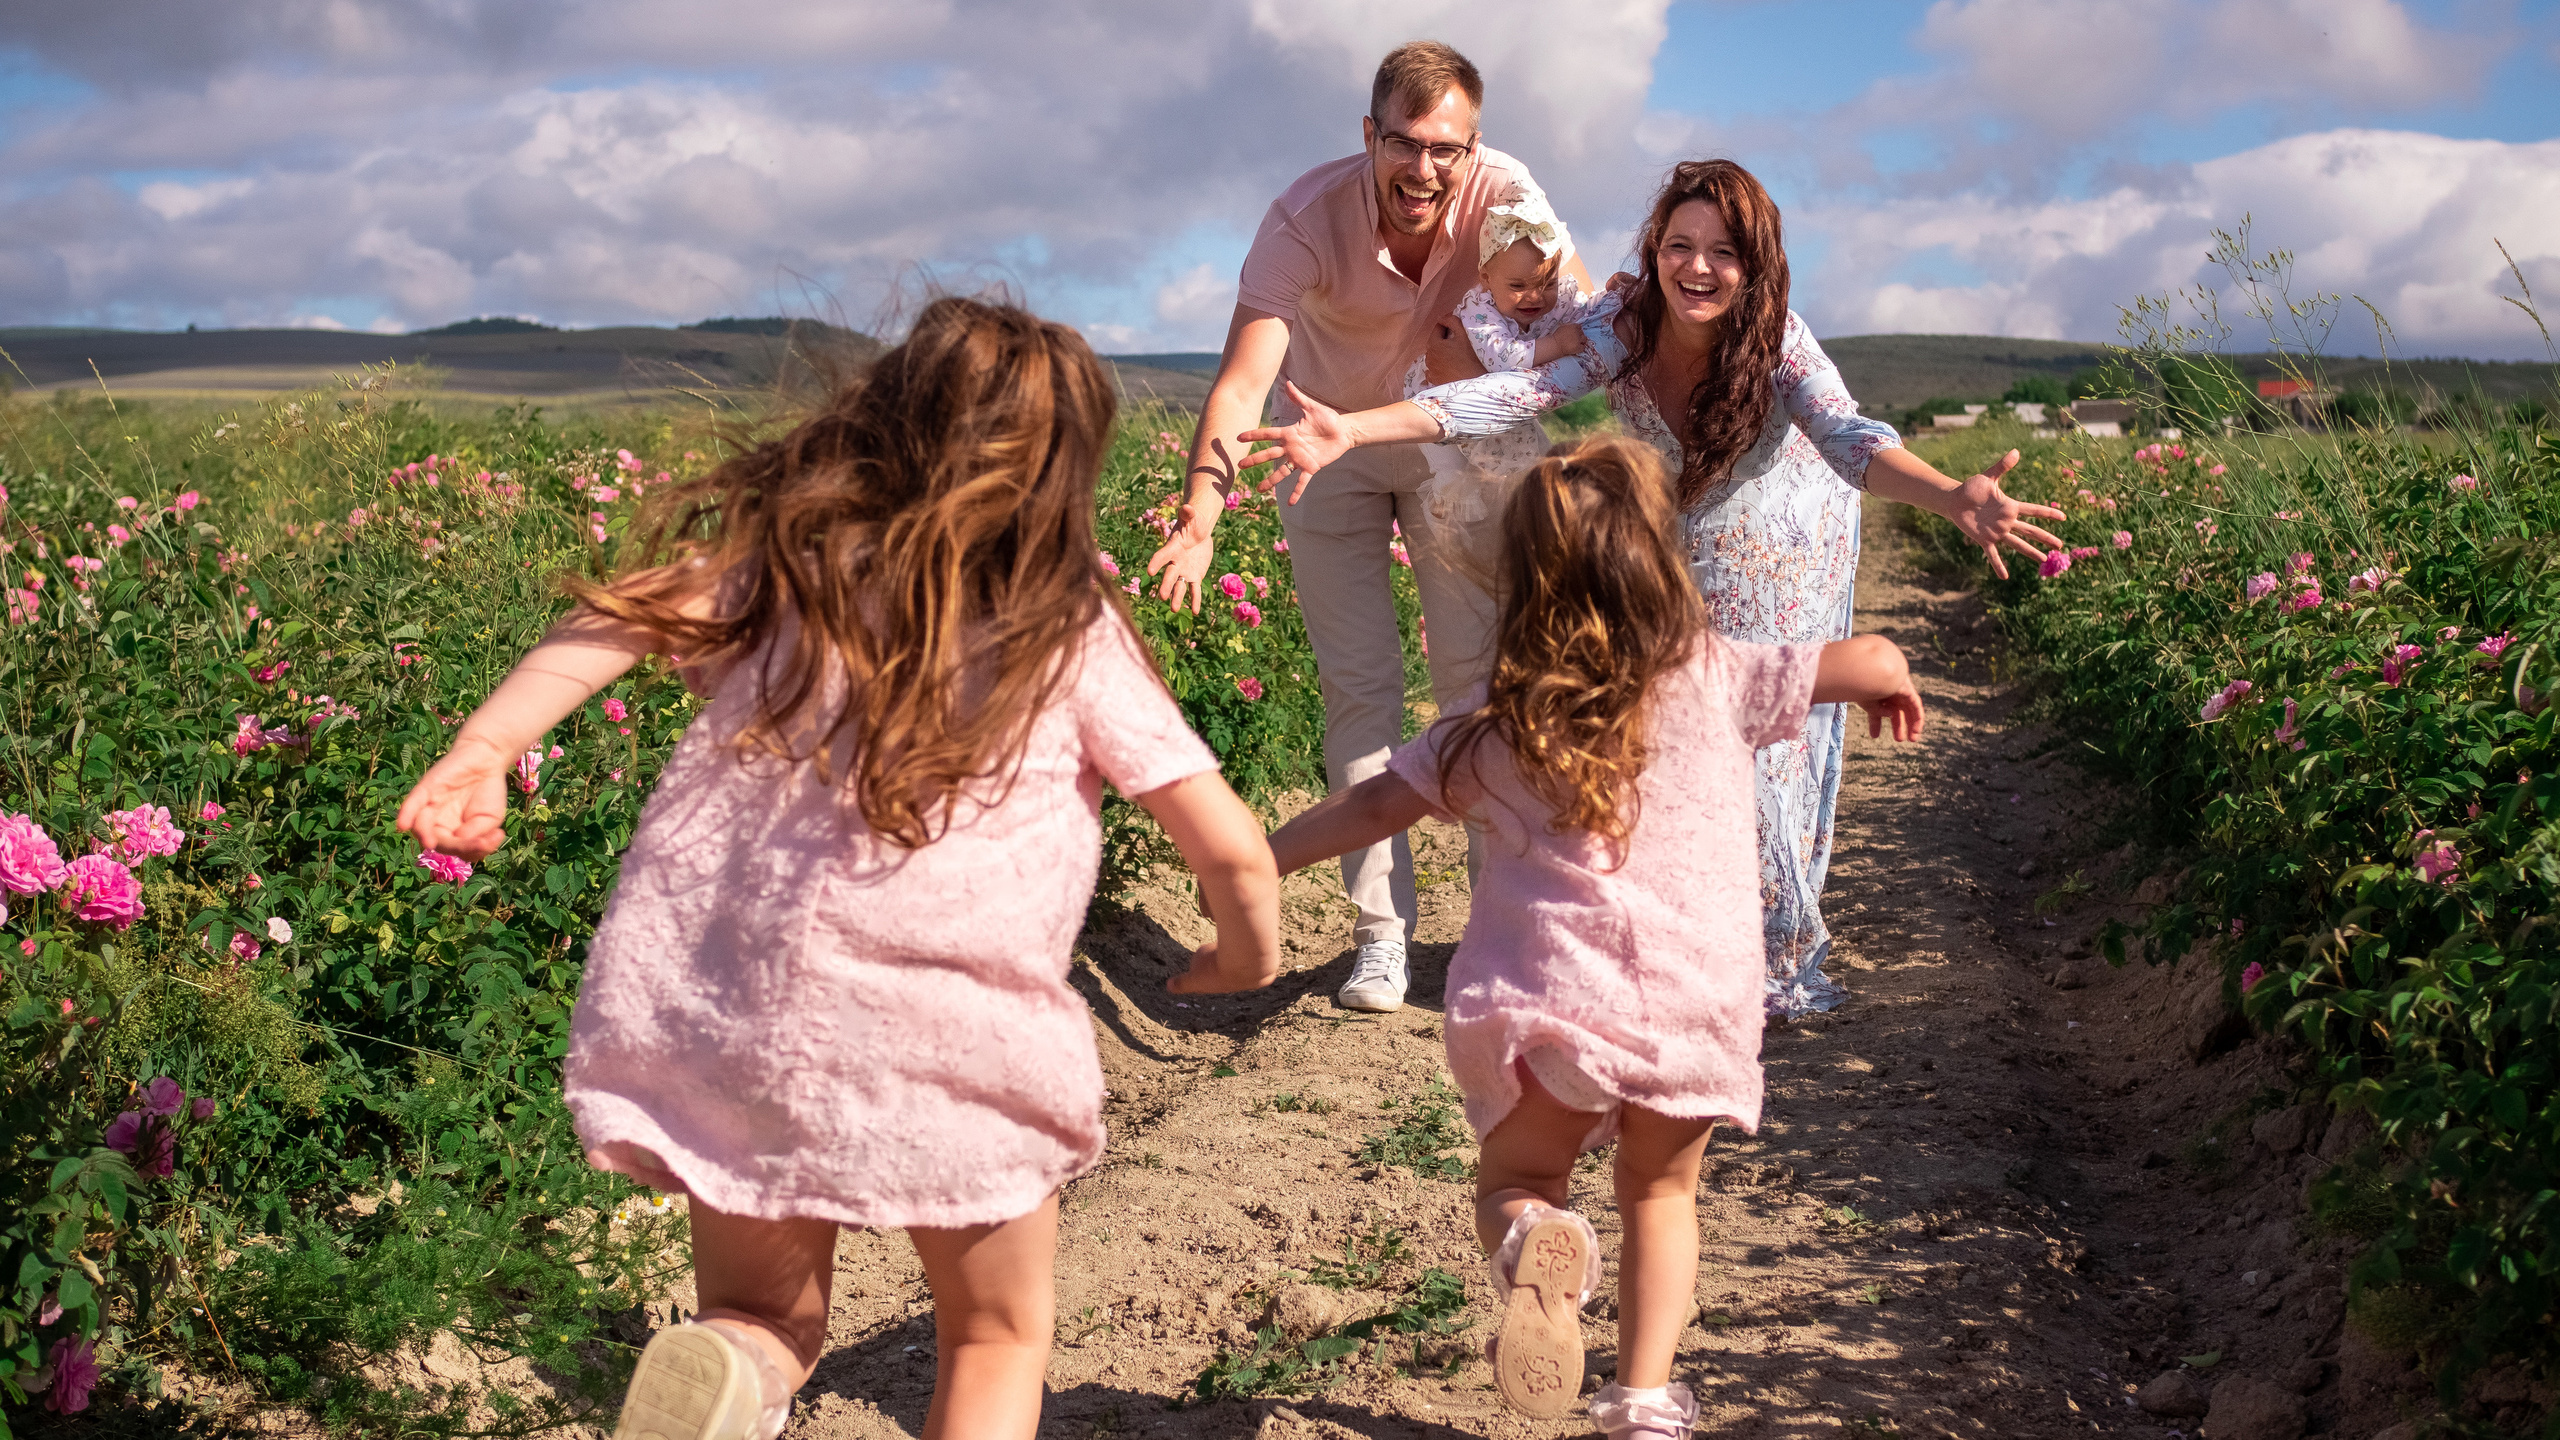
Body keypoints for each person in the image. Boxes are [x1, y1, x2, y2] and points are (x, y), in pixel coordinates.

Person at [395, 297, 1284, 1440]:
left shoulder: (790, 565)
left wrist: (482, 753)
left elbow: (611, 623)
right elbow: (1230, 848)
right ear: (1064, 473)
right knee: (991, 1336)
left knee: (760, 1314)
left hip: (744, 1016)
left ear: (882, 422)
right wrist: (1241, 953)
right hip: (954, 1040)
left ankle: (730, 1374)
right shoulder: (1062, 624)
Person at [1235, 158, 2063, 1019]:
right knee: (1670, 731)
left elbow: (1850, 440)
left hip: (1787, 537)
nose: (1697, 268)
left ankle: (1765, 959)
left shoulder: (1780, 340)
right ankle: (1678, 934)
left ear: (1758, 261)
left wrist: (1948, 496)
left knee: (1756, 744)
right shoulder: (1622, 328)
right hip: (1680, 537)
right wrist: (1353, 430)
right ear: (1654, 250)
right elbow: (1514, 394)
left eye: (1723, 251)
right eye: (1679, 245)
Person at [1256, 437, 1926, 1436]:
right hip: (1698, 1002)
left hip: (1556, 1012)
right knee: (1661, 1192)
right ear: (1662, 562)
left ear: (1519, 584)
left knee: (1520, 1176)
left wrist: (1253, 862)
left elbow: (1363, 813)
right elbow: (1867, 655)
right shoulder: (1719, 674)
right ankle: (1644, 1399)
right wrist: (1887, 679)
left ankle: (1533, 1237)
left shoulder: (1487, 730)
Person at [1144, 40, 1591, 1015]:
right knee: (1360, 692)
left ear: (1473, 149)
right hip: (1323, 450)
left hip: (1459, 453)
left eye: (1445, 149)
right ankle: (1381, 938)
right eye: (1403, 144)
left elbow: (1586, 328)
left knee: (1476, 694)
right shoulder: (1301, 220)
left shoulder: (1510, 198)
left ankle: (1501, 926)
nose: (1423, 169)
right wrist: (1201, 517)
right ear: (1367, 136)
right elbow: (1240, 383)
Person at [1401, 186, 1595, 545]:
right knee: (1448, 459)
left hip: (1480, 388)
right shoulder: (1481, 312)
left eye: (1546, 283)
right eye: (1519, 285)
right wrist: (1557, 344)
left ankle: (1534, 519)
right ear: (1487, 279)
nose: (1535, 296)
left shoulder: (1553, 297)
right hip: (1433, 389)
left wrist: (1615, 295)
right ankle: (1445, 494)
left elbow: (1583, 310)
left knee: (1530, 457)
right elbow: (1505, 358)